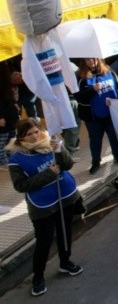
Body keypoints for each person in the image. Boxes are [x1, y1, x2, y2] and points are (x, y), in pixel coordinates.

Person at [7, 118, 84, 297]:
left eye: (36, 131)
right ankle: (38, 277)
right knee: (44, 241)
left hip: (64, 195)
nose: (35, 137)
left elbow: (67, 165)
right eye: (29, 134)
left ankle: (65, 262)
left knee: (65, 231)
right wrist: (48, 174)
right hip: (42, 205)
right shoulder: (16, 159)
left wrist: (59, 149)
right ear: (21, 138)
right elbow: (21, 186)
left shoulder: (51, 143)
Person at [75, 58, 118, 175]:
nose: (91, 61)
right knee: (95, 140)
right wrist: (92, 90)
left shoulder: (109, 72)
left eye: (93, 58)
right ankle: (96, 162)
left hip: (110, 113)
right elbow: (78, 97)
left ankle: (117, 156)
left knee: (114, 136)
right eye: (88, 59)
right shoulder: (79, 77)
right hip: (92, 117)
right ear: (83, 62)